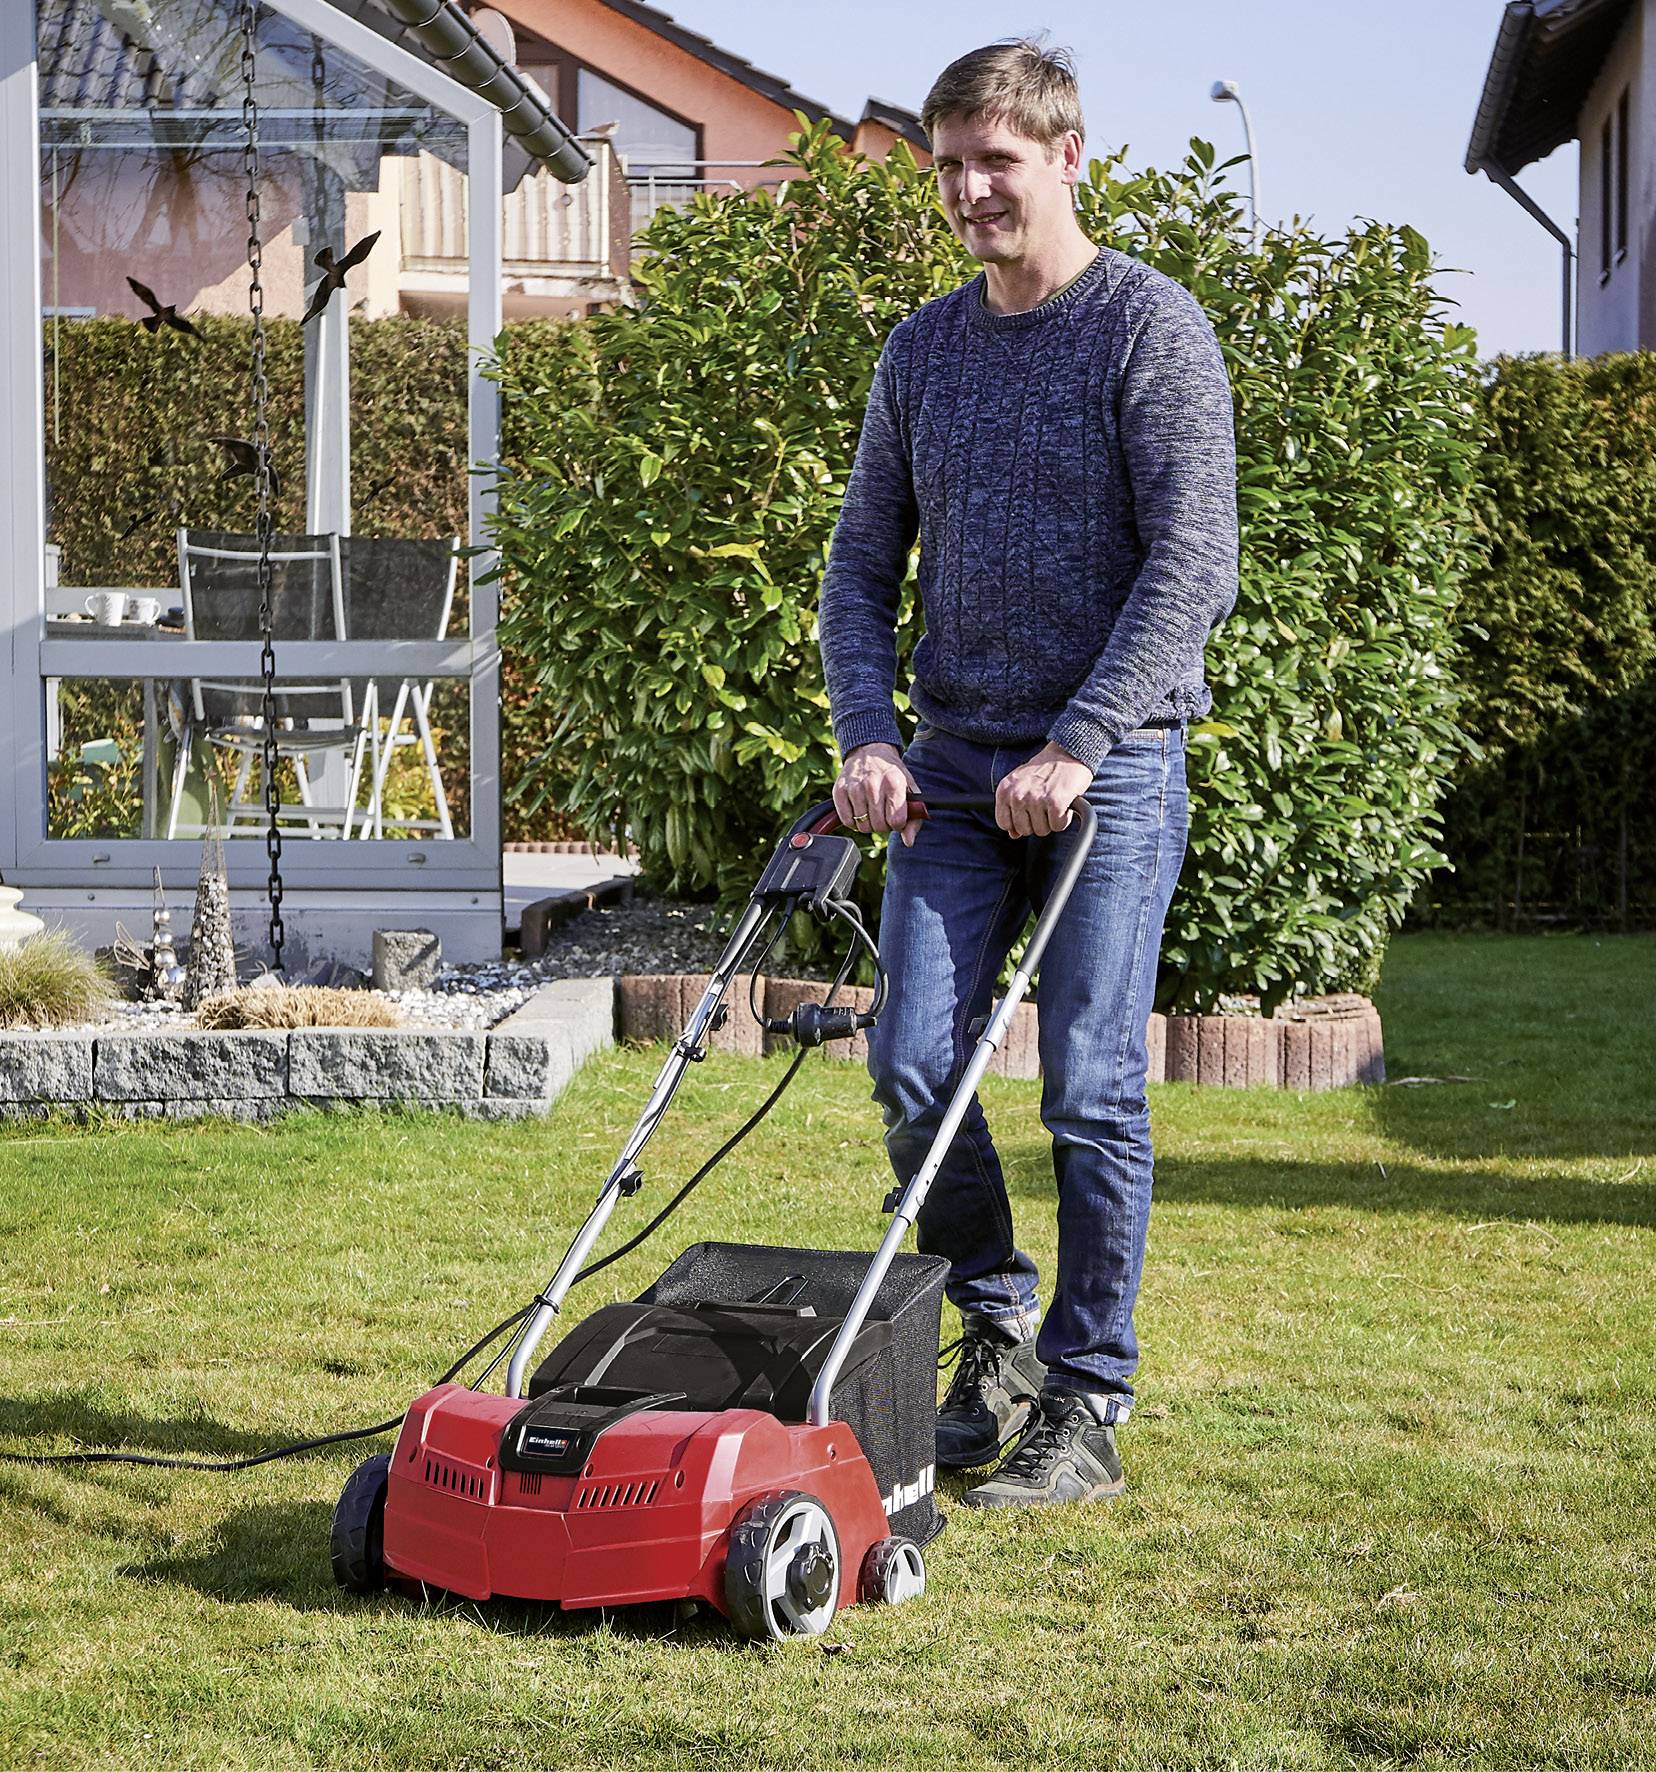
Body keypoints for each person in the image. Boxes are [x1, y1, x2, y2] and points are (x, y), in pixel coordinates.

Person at [817, 39, 1238, 1507]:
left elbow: (1193, 568)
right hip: (949, 762)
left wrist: (1081, 741)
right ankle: (992, 1319)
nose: (969, 190)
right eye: (946, 167)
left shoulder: (1148, 330)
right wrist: (866, 737)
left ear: (1068, 155)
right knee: (916, 1057)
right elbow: (861, 568)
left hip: (1105, 771)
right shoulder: (921, 350)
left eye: (995, 160)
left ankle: (1089, 1397)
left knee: (1092, 1090)